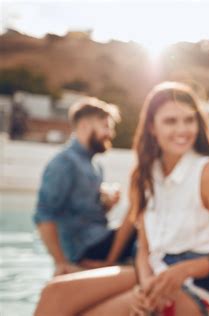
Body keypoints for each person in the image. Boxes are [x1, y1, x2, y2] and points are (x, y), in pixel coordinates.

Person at [34, 82, 209, 316]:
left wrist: (183, 270)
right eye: (170, 121)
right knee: (54, 293)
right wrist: (145, 284)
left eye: (189, 120)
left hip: (201, 287)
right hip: (155, 274)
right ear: (151, 127)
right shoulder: (146, 174)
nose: (183, 129)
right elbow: (144, 248)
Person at [33, 97, 136, 276]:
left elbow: (88, 216)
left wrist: (107, 205)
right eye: (105, 126)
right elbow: (44, 214)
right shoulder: (64, 162)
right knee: (141, 223)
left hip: (98, 238)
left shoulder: (96, 165)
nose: (110, 133)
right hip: (84, 249)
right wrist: (61, 263)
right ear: (85, 125)